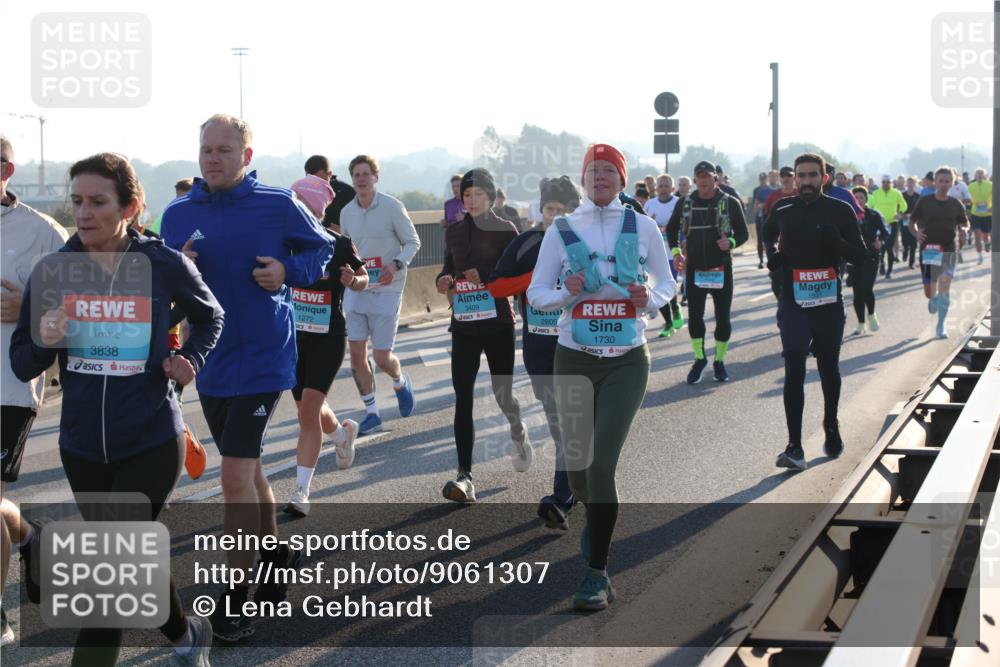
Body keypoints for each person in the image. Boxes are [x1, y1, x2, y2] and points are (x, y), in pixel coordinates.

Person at [11, 152, 223, 665]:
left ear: (127, 207)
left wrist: (188, 358)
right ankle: (186, 635)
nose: (84, 213)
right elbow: (23, 362)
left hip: (151, 439)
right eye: (78, 201)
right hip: (82, 448)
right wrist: (47, 335)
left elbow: (210, 316)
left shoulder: (162, 264)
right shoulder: (54, 271)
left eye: (98, 202)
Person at [162, 114, 333, 641]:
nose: (212, 158)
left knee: (234, 475)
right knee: (251, 467)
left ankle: (236, 596)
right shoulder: (176, 214)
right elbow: (157, 282)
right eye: (206, 149)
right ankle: (278, 552)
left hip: (264, 358)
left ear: (247, 156)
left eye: (224, 150)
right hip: (209, 360)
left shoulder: (278, 203)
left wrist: (287, 272)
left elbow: (321, 249)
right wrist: (177, 268)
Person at [527, 143, 674, 611]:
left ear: (622, 180)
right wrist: (564, 293)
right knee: (578, 470)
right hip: (573, 358)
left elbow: (670, 284)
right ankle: (597, 519)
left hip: (627, 360)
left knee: (600, 465)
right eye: (593, 171)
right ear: (584, 180)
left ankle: (596, 574)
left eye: (610, 170)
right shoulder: (563, 229)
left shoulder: (645, 226)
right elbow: (535, 293)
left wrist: (647, 297)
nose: (601, 178)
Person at [0, 133, 69, 647]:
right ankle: (29, 535)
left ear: (7, 170)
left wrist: (28, 306)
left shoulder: (42, 232)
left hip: (9, 384)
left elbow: (79, 300)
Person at [488, 175, 581, 529]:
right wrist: (533, 281)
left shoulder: (585, 242)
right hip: (539, 349)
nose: (556, 216)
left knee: (570, 423)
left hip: (580, 346)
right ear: (540, 210)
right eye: (550, 209)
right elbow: (496, 286)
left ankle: (561, 499)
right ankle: (574, 487)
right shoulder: (527, 242)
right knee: (560, 426)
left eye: (563, 210)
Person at [764, 153, 865, 471]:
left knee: (828, 368)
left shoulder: (840, 209)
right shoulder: (782, 208)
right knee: (793, 367)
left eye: (812, 176)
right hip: (793, 302)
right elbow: (768, 232)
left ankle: (831, 424)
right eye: (800, 176)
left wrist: (835, 241)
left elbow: (860, 256)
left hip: (828, 305)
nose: (805, 182)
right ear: (794, 178)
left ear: (824, 178)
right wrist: (774, 255)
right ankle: (794, 446)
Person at [435, 168, 530, 503]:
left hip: (498, 324)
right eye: (466, 195)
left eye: (477, 195)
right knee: (463, 397)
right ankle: (465, 476)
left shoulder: (506, 230)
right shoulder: (455, 231)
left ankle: (518, 430)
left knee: (503, 394)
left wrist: (486, 276)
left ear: (490, 196)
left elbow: (517, 275)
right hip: (464, 324)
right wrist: (444, 280)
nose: (471, 201)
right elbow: (448, 266)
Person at [284, 177, 369, 517]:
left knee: (307, 414)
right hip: (292, 338)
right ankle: (341, 435)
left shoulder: (338, 244)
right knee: (309, 406)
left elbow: (365, 278)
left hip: (327, 337)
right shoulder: (282, 244)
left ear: (316, 210)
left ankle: (301, 491)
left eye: (303, 205)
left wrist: (354, 280)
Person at [340, 155, 420, 435]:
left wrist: (396, 264)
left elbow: (413, 242)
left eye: (366, 174)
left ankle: (399, 381)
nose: (361, 179)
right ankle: (372, 413)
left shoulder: (392, 207)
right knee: (357, 356)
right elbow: (348, 250)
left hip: (388, 288)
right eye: (356, 175)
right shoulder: (347, 212)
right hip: (358, 290)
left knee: (383, 357)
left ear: (376, 177)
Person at [666, 160, 749, 384]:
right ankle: (699, 358)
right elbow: (672, 229)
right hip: (694, 269)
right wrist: (676, 253)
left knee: (723, 318)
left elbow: (743, 233)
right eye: (699, 176)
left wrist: (731, 242)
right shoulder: (685, 202)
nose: (703, 180)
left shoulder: (730, 202)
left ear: (715, 178)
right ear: (695, 180)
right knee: (695, 318)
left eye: (707, 176)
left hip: (721, 268)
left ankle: (719, 361)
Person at [909, 166, 970, 339]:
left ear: (953, 182)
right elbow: (911, 222)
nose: (944, 184)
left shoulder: (955, 204)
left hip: (949, 249)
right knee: (930, 291)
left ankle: (941, 325)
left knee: (945, 286)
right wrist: (916, 233)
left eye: (947, 181)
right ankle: (932, 298)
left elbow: (964, 223)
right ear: (935, 182)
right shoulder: (925, 201)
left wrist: (964, 229)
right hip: (929, 250)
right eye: (941, 181)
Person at [644, 174, 684, 336]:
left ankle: (674, 307)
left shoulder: (678, 203)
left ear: (673, 189)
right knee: (656, 289)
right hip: (654, 254)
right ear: (656, 188)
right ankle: (668, 323)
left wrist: (668, 229)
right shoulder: (649, 204)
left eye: (667, 186)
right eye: (660, 186)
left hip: (672, 252)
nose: (663, 189)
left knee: (669, 286)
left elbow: (685, 227)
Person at [849, 187, 890, 335]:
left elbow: (886, 231)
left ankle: (871, 315)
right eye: (856, 198)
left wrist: (881, 242)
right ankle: (861, 323)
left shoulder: (874, 215)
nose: (859, 200)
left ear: (866, 199)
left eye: (861, 197)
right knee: (857, 291)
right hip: (854, 257)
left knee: (866, 288)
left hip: (871, 255)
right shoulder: (848, 214)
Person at [868, 174, 908, 279]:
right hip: (879, 224)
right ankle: (882, 264)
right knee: (881, 246)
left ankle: (889, 270)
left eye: (888, 182)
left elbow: (904, 205)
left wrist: (900, 212)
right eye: (883, 182)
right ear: (881, 183)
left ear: (891, 183)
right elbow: (870, 205)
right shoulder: (875, 193)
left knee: (889, 246)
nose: (885, 184)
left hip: (892, 222)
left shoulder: (896, 193)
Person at [968, 167, 992, 263]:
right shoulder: (971, 186)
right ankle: (979, 256)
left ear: (985, 175)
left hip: (987, 214)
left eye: (981, 173)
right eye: (978, 173)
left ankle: (986, 243)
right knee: (977, 235)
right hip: (975, 214)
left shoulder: (990, 185)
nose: (980, 175)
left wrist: (992, 207)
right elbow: (968, 198)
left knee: (985, 236)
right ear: (975, 176)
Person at [752, 171, 775, 269]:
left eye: (764, 179)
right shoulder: (757, 191)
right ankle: (761, 260)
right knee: (760, 240)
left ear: (767, 179)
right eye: (761, 179)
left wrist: (765, 204)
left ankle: (772, 259)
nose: (762, 181)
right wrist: (759, 207)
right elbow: (755, 206)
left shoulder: (773, 190)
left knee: (772, 240)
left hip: (771, 218)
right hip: (761, 218)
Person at [900, 176, 921, 269]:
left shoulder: (918, 196)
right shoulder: (902, 195)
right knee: (905, 240)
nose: (910, 184)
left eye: (912, 182)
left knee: (913, 242)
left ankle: (911, 262)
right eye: (909, 182)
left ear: (915, 184)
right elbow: (898, 207)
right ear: (906, 184)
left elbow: (921, 209)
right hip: (904, 221)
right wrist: (902, 215)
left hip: (914, 221)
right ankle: (905, 251)